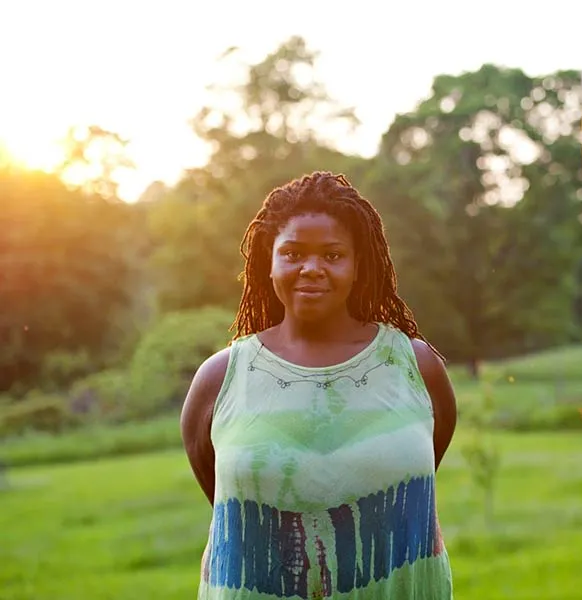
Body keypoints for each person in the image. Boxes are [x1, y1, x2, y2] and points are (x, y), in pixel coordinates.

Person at [180, 171, 458, 600]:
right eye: (292, 253)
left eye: (332, 255)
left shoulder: (416, 367)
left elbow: (415, 483)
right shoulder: (220, 379)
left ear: (357, 264)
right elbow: (224, 502)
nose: (312, 268)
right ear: (266, 263)